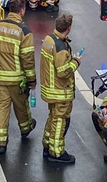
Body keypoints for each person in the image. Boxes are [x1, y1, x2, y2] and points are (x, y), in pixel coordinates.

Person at [0, 0, 37, 154]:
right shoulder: (24, 31)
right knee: (21, 105)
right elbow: (27, 59)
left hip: (0, 77)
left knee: (1, 108)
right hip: (16, 79)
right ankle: (26, 128)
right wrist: (32, 80)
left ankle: (1, 143)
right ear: (22, 11)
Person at [41, 13, 82, 164]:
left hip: (49, 89)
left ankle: (47, 145)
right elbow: (63, 71)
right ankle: (56, 152)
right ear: (69, 29)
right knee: (60, 122)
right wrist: (76, 62)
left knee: (52, 118)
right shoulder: (61, 47)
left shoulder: (49, 39)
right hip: (60, 91)